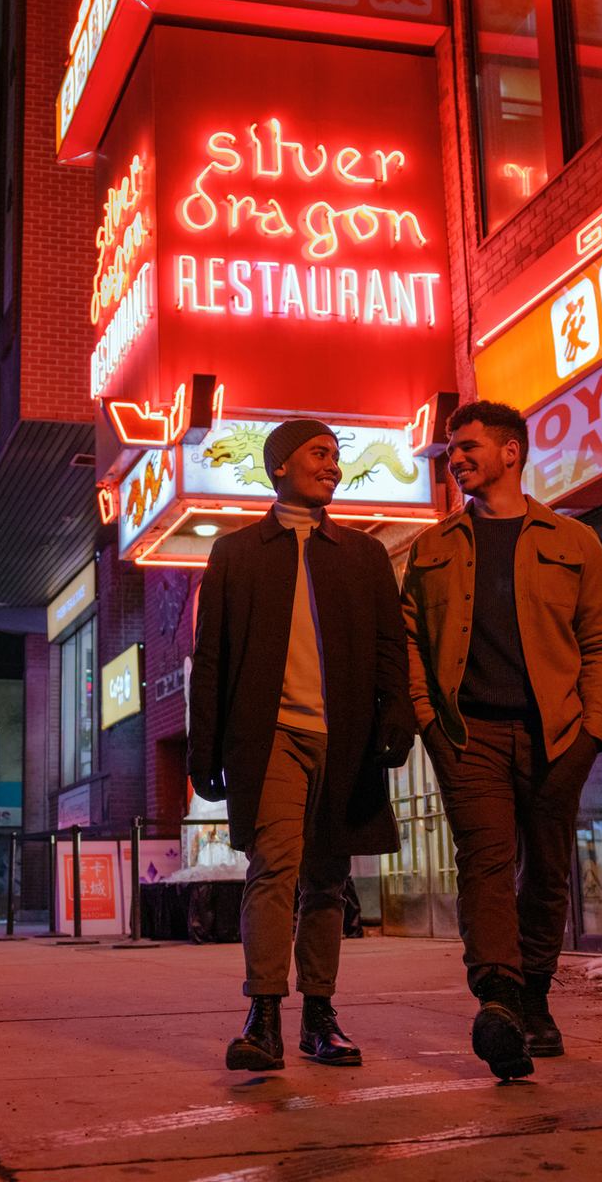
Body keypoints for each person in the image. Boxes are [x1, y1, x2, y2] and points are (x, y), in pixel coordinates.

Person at [401, 400, 602, 1081]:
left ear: (510, 453)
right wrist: (428, 722)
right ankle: (499, 1000)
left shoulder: (572, 540)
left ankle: (535, 995)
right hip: (469, 734)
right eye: (451, 451)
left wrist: (593, 729)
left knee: (547, 870)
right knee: (486, 865)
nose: (456, 459)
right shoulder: (434, 548)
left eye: (468, 447)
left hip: (556, 733)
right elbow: (410, 642)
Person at [189, 418, 415, 1071]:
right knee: (274, 871)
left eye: (336, 457)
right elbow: (212, 660)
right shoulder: (235, 554)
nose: (334, 467)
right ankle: (263, 1016)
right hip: (271, 738)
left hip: (344, 740)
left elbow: (387, 650)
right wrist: (205, 750)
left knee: (327, 880)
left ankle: (321, 1016)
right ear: (280, 465)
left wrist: (395, 716)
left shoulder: (364, 555)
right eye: (320, 454)